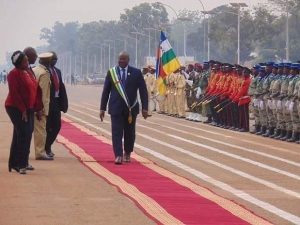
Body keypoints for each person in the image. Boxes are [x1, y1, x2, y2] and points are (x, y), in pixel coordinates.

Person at [100, 51, 148, 164]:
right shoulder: (112, 72)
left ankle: (127, 152)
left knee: (129, 133)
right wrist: (102, 108)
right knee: (116, 132)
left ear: (128, 60)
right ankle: (118, 155)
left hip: (131, 109)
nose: (121, 61)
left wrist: (145, 108)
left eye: (124, 59)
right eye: (120, 59)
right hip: (116, 108)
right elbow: (106, 91)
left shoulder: (136, 73)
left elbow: (143, 92)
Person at [5, 51, 39, 174]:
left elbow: (34, 90)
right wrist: (23, 110)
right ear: (19, 63)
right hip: (15, 107)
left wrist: (36, 108)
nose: (27, 62)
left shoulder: (27, 72)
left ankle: (16, 163)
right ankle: (20, 164)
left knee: (23, 134)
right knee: (23, 134)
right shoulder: (13, 74)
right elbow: (15, 94)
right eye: (25, 61)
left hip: (28, 108)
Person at [45, 51, 68, 157]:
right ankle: (46, 148)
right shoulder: (43, 71)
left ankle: (48, 145)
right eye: (52, 58)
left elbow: (61, 87)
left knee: (57, 126)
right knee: (47, 126)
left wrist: (64, 104)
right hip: (47, 102)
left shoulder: (58, 71)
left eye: (56, 59)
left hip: (56, 102)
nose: (54, 60)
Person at [33, 52, 54, 160]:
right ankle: (40, 152)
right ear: (48, 62)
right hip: (40, 107)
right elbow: (43, 93)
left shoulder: (34, 70)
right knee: (40, 130)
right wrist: (41, 109)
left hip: (32, 105)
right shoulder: (44, 73)